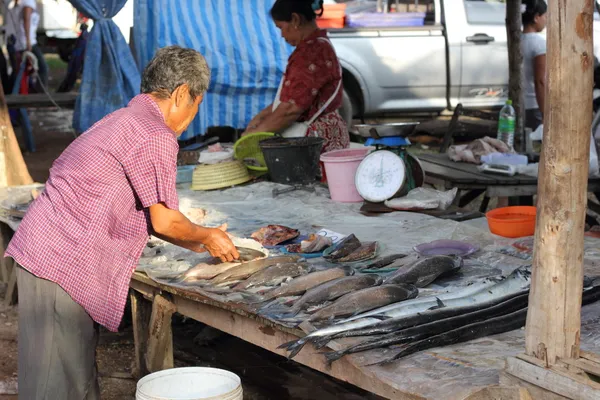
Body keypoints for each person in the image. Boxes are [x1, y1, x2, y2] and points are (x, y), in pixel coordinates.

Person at [4, 45, 240, 399]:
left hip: (47, 251)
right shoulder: (155, 133)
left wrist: (198, 241)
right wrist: (208, 236)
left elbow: (154, 214)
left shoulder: (125, 119)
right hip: (60, 259)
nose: (193, 115)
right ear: (180, 94)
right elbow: (163, 221)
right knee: (57, 384)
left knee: (66, 375)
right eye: (196, 103)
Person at [244, 0, 350, 154]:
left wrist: (253, 136)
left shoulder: (311, 52)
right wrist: (262, 116)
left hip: (315, 142)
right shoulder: (317, 45)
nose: (281, 35)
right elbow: (292, 99)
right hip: (323, 137)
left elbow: (291, 109)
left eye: (281, 27)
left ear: (295, 20)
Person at [6, 0, 49, 91]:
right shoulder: (28, 1)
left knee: (19, 72)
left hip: (19, 42)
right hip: (26, 42)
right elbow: (26, 19)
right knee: (43, 68)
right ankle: (40, 95)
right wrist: (28, 41)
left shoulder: (19, 3)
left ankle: (13, 93)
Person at [521, 0, 547, 131]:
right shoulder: (539, 44)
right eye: (545, 16)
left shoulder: (516, 41)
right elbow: (540, 81)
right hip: (535, 106)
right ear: (537, 17)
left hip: (518, 105)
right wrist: (544, 113)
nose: (546, 20)